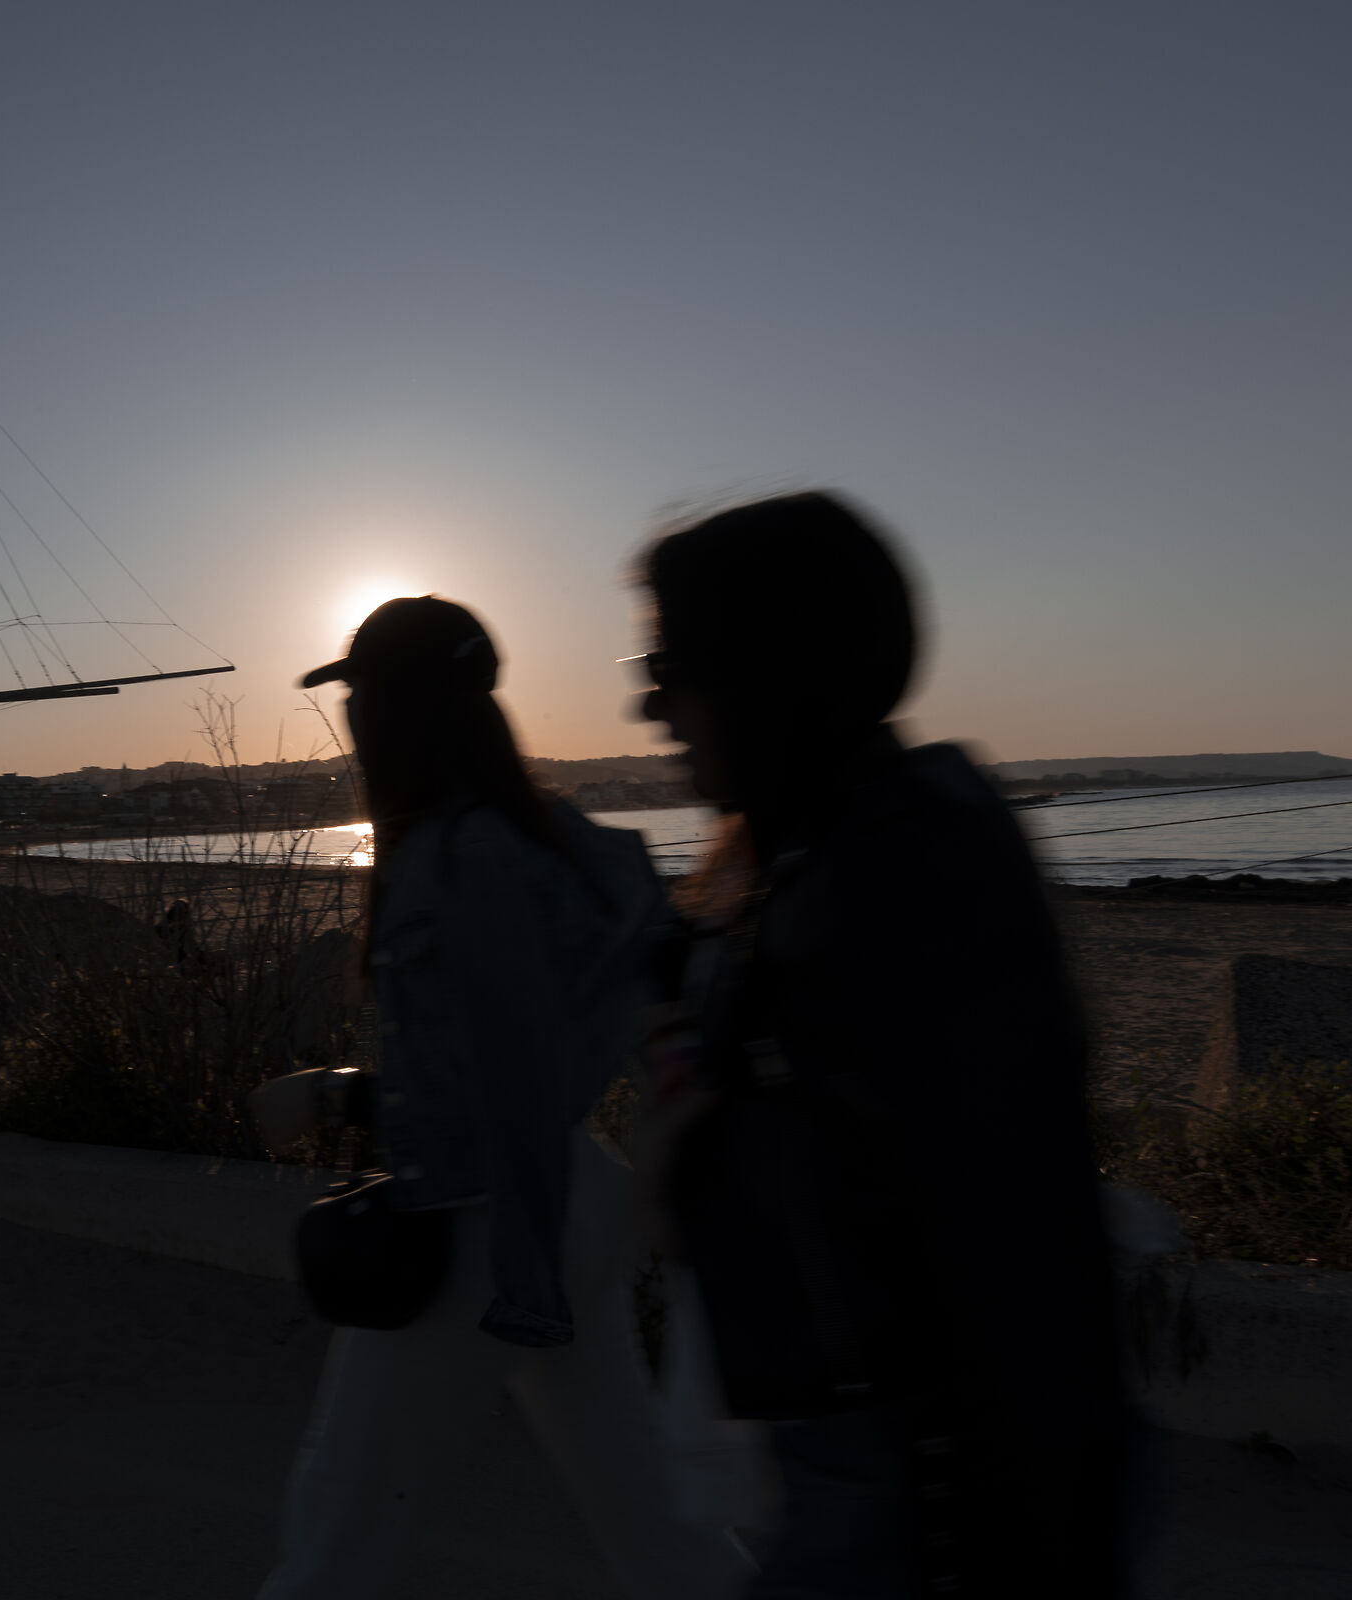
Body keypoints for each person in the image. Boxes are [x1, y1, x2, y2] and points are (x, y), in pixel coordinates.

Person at [628, 493, 1135, 1598]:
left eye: (673, 663)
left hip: (924, 1499)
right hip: (845, 1465)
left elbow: (1011, 1238)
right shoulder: (806, 862)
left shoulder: (904, 870)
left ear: (768, 670)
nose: (648, 704)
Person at [252, 596, 743, 1600]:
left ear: (393, 714)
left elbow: (483, 1091)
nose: (349, 725)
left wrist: (334, 1096)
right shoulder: (564, 841)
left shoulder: (457, 858)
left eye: (358, 700)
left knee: (338, 1522)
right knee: (651, 1521)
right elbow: (653, 989)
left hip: (488, 1222)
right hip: (573, 1199)